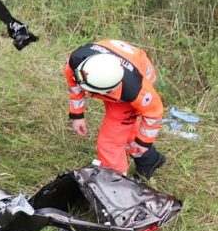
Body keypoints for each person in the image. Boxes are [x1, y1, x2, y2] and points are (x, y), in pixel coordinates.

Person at [64, 39, 167, 179]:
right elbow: (74, 85)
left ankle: (115, 183)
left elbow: (154, 112)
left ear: (110, 90)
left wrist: (144, 141)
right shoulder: (78, 61)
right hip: (118, 68)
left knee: (109, 142)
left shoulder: (135, 90)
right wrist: (77, 115)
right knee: (121, 130)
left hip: (139, 74)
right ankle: (149, 159)